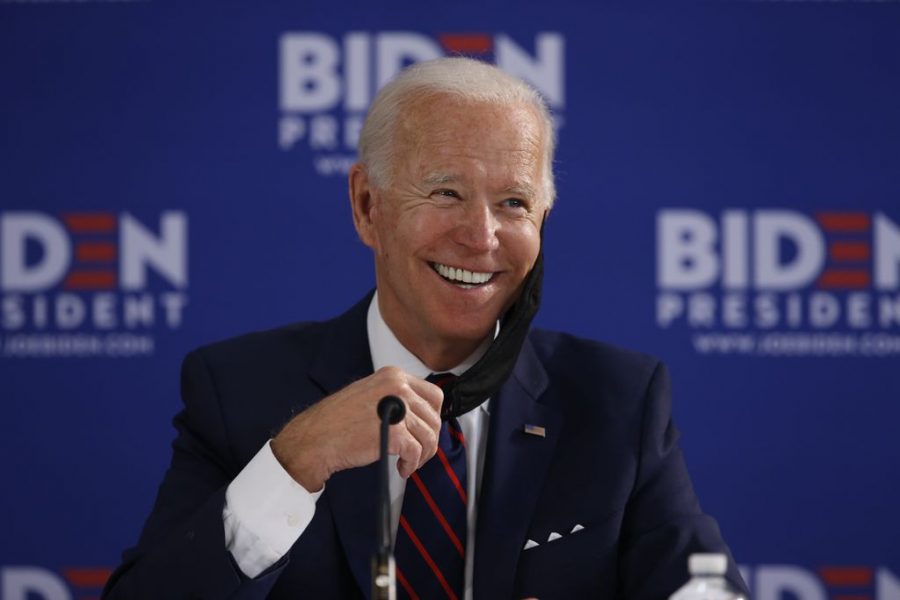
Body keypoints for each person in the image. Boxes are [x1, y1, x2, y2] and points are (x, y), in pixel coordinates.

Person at [103, 57, 748, 600]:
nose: (481, 236)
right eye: (445, 193)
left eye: (514, 203)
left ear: (544, 220)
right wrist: (292, 464)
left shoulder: (619, 400)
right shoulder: (237, 390)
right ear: (367, 207)